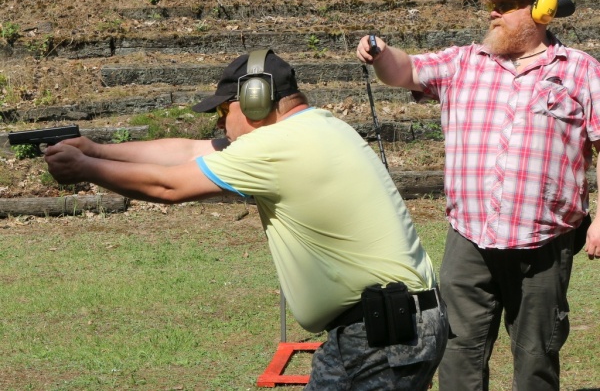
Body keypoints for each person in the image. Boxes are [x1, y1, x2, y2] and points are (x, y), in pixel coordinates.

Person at [44, 48, 449, 390]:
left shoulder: (278, 145)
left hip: (382, 335)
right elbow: (190, 150)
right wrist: (96, 150)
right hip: (383, 327)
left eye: (224, 109)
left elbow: (169, 187)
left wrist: (86, 169)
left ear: (256, 98)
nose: (219, 122)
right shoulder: (316, 127)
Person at [357, 0, 600, 391]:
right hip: (468, 238)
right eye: (492, 5)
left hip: (543, 242)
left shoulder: (580, 70)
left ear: (541, 11)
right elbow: (404, 70)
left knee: (536, 355)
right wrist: (380, 52)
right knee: (457, 353)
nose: (493, 13)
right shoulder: (463, 63)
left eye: (506, 5)